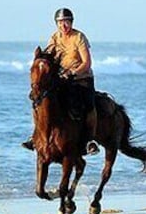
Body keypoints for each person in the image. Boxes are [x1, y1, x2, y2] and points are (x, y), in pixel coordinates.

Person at [22, 8, 99, 155]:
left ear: (71, 22)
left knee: (88, 105)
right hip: (61, 79)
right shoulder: (54, 38)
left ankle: (89, 140)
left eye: (67, 22)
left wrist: (72, 72)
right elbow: (48, 57)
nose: (64, 26)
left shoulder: (79, 37)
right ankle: (35, 137)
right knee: (39, 102)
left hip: (81, 78)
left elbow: (87, 63)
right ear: (56, 24)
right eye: (60, 22)